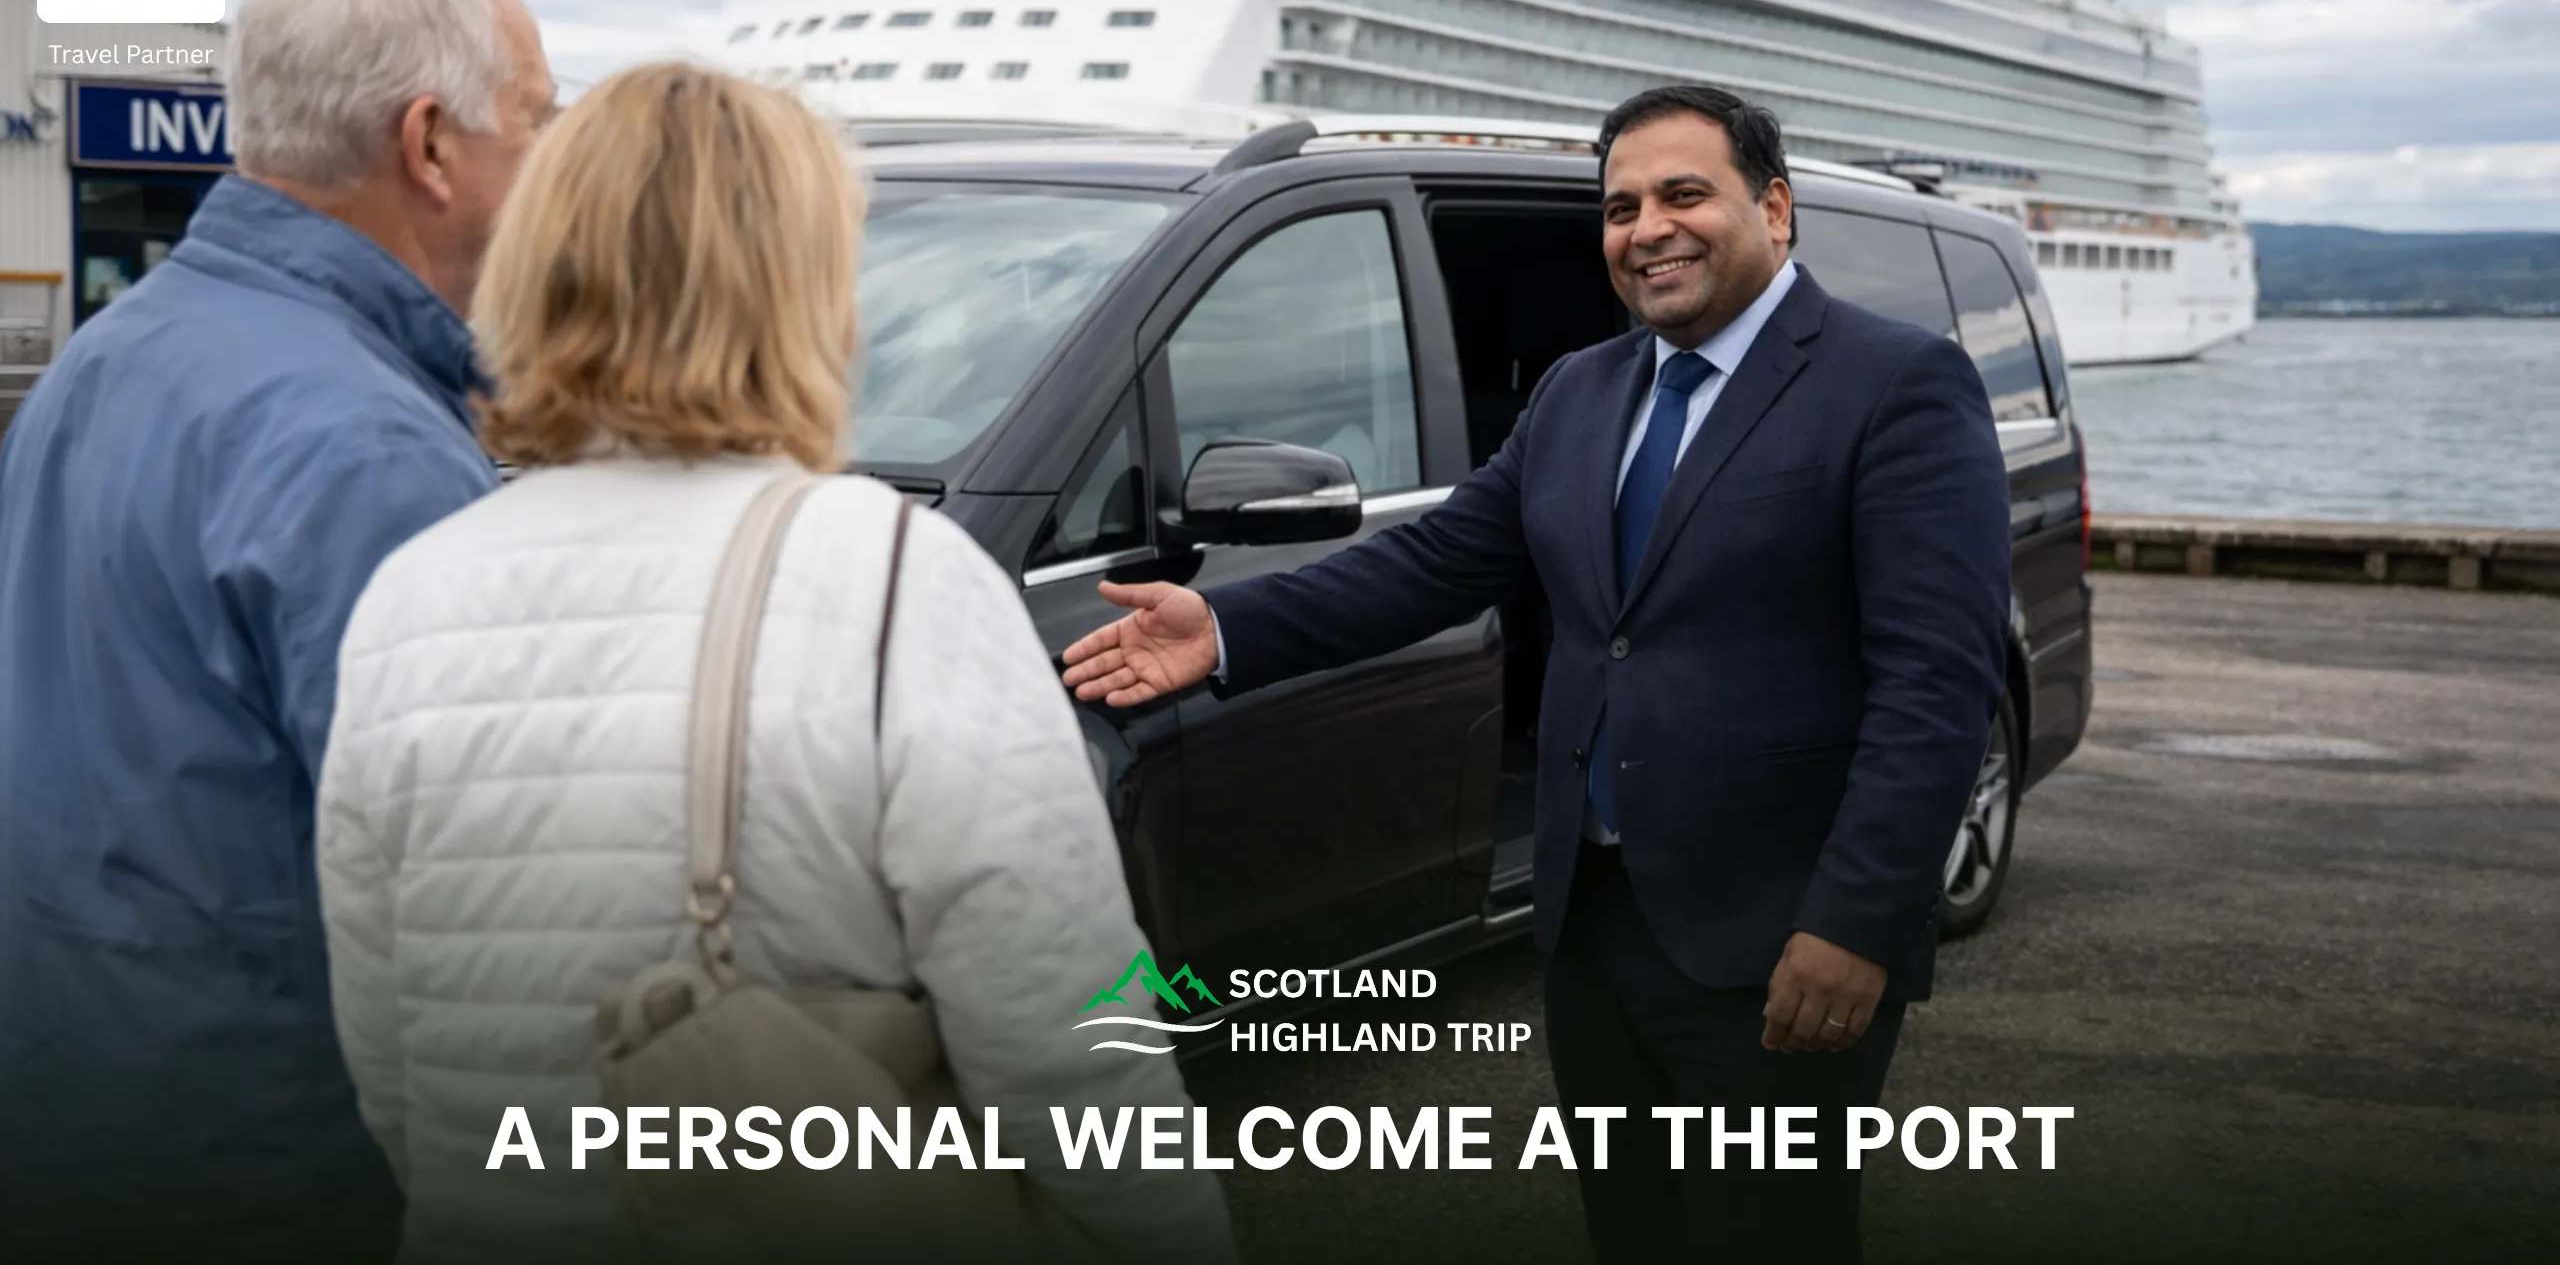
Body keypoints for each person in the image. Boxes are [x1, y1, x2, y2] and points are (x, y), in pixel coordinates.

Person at [1062, 85, 2012, 1262]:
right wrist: (1223, 626)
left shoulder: (1894, 384)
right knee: (1632, 1235)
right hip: (1593, 927)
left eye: (1682, 194)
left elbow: (1934, 682)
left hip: (1776, 933)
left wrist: (1857, 922)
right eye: (1619, 207)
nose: (1645, 227)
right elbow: (1434, 560)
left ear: (1773, 208)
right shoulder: (1581, 389)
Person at [314, 61, 1236, 1264]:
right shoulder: (895, 577)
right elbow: (1072, 1063)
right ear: (808, 297)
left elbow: (387, 1060)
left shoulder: (412, 592)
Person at [0, 0, 553, 1259]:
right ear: (428, 144)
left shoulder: (115, 350)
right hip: (287, 1163)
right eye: (536, 122)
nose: (554, 170)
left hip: (81, 1105)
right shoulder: (365, 450)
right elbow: (487, 929)